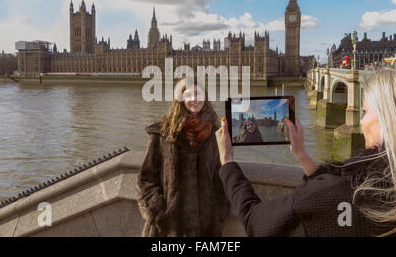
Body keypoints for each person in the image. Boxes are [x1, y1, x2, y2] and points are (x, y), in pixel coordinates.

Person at [215, 67, 396, 236]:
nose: (361, 121)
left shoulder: (337, 194)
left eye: (365, 111)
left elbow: (256, 222)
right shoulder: (385, 188)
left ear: (387, 118)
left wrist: (227, 161)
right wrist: (302, 154)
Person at [137, 76, 230, 236]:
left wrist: (220, 211)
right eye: (188, 95)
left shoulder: (215, 134)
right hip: (168, 227)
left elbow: (220, 177)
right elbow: (146, 178)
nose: (194, 99)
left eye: (198, 93)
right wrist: (157, 212)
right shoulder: (163, 132)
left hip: (206, 227)